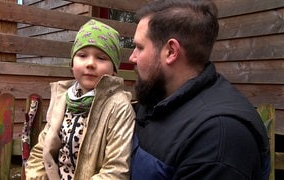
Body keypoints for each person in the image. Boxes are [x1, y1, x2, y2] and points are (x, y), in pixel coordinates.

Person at [129, 0, 270, 179]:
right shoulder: (157, 98)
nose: (132, 57)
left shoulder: (219, 139)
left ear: (171, 51)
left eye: (139, 47)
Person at [25, 19, 135, 179]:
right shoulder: (63, 99)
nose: (90, 63)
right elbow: (41, 151)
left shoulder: (119, 108)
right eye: (82, 55)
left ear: (114, 70)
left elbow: (116, 170)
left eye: (101, 58)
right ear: (72, 64)